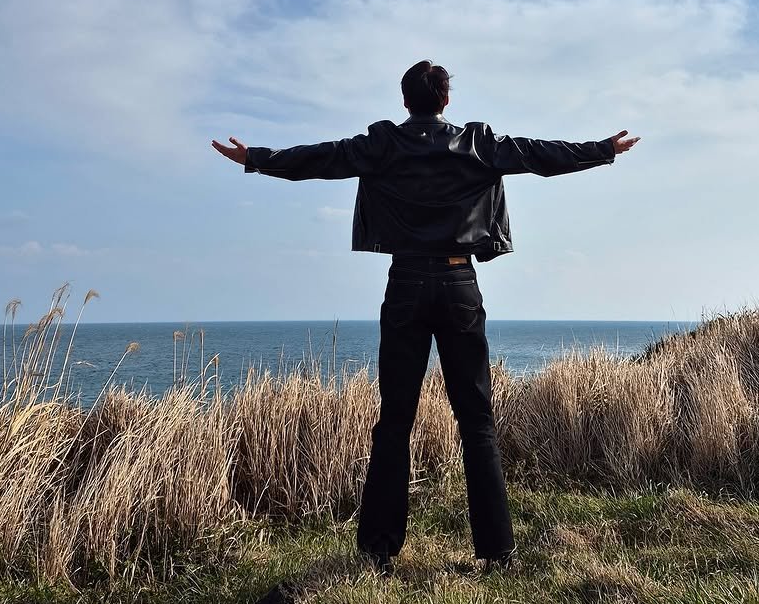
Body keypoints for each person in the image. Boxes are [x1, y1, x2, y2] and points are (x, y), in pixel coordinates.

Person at [212, 60, 640, 577]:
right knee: (476, 420)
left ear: (405, 101)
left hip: (406, 285)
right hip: (460, 285)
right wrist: (602, 150)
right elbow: (538, 155)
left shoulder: (382, 145)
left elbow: (320, 159)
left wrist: (256, 158)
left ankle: (377, 551)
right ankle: (497, 552)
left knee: (394, 420)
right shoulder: (478, 144)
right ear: (445, 100)